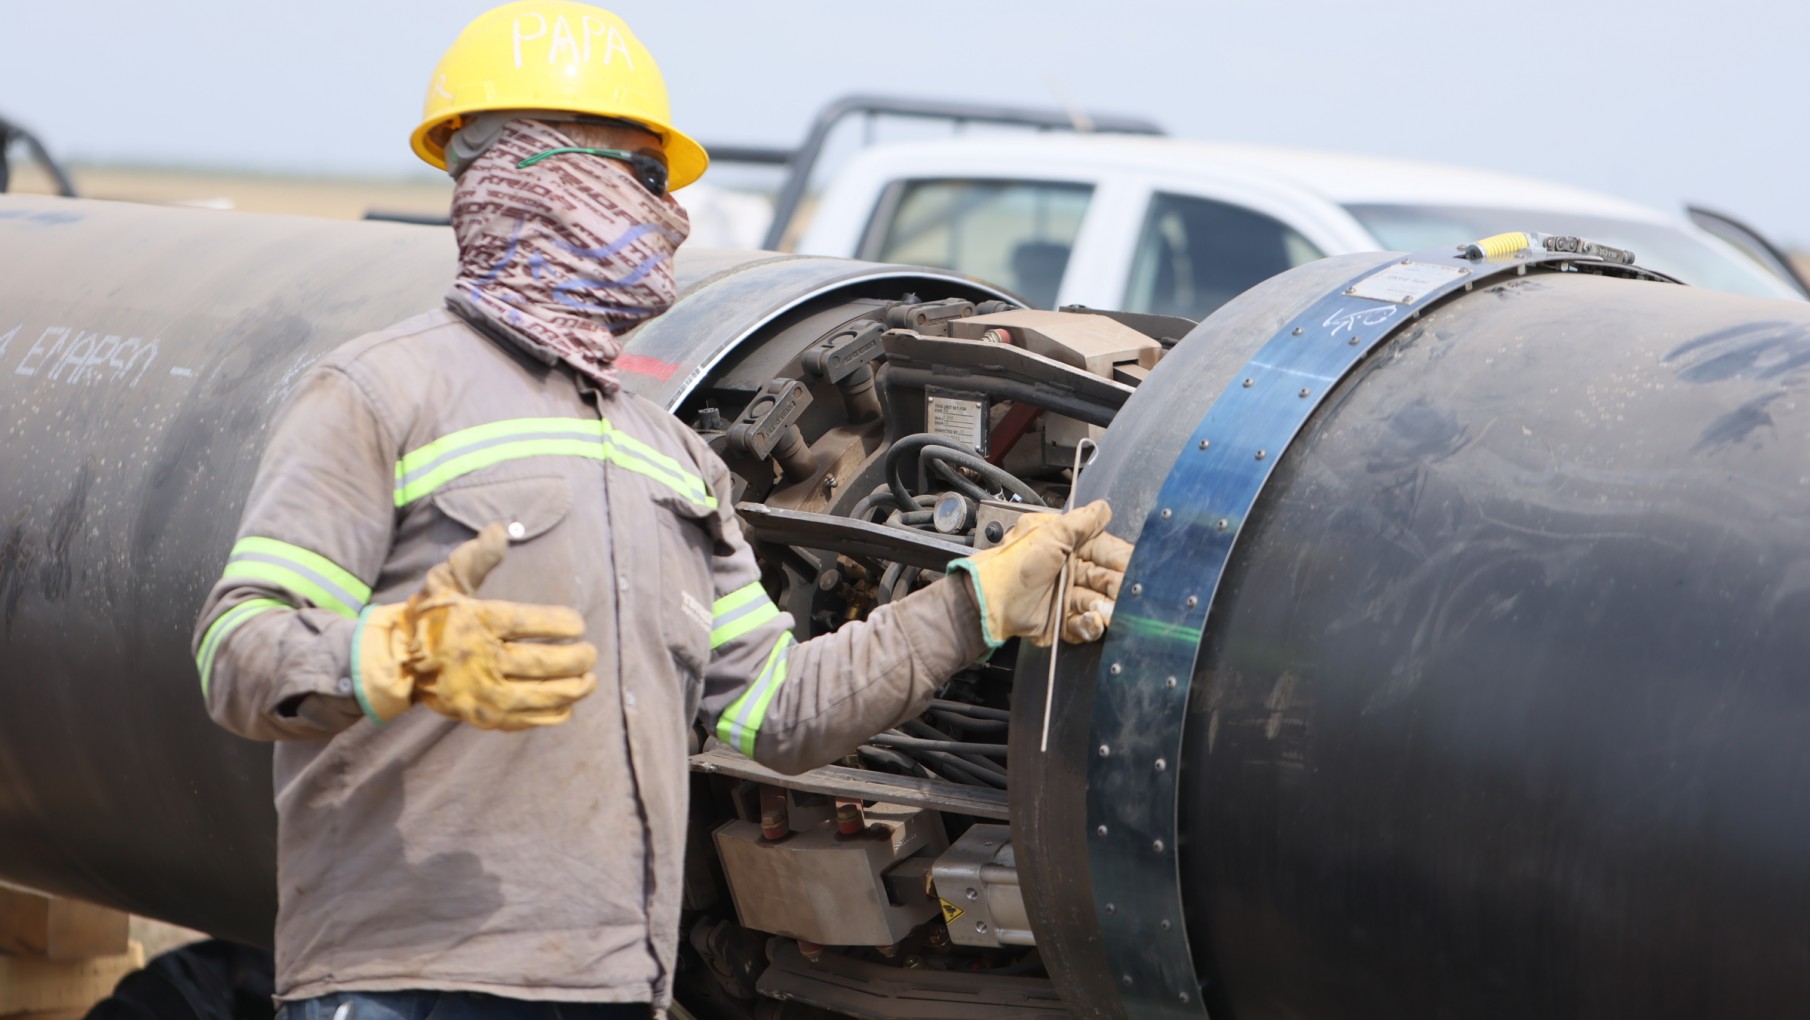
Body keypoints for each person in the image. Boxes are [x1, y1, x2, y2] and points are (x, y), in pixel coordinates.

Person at [192, 3, 1132, 1018]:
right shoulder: (383, 394)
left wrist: (976, 602)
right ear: (532, 172)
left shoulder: (668, 459)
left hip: (609, 990)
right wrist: (389, 658)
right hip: (409, 983)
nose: (669, 214)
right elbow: (237, 650)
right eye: (643, 179)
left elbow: (775, 712)